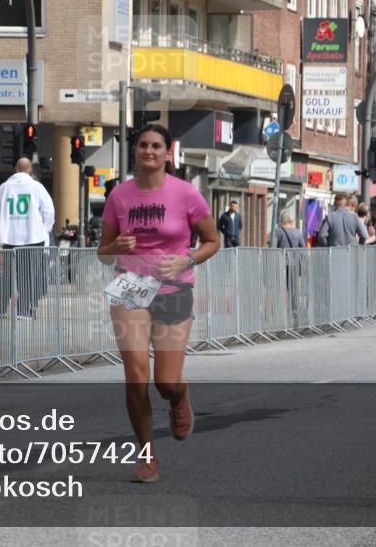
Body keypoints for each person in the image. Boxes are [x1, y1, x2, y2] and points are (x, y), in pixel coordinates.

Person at [97, 124, 220, 483]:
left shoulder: (186, 194)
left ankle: (179, 395)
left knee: (165, 382)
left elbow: (213, 241)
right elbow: (103, 252)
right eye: (142, 145)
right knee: (136, 376)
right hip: (129, 288)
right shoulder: (119, 196)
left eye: (155, 146)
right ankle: (147, 456)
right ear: (134, 151)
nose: (148, 151)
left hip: (173, 288)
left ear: (168, 152)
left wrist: (188, 259)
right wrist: (114, 249)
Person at [0, 157, 55, 317]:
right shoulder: (37, 187)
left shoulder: (4, 187)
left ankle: (0, 308)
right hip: (34, 237)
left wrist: (3, 229)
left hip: (10, 238)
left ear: (15, 169)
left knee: (7, 275)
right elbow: (49, 211)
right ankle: (25, 309)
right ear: (30, 169)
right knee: (29, 274)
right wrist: (43, 229)